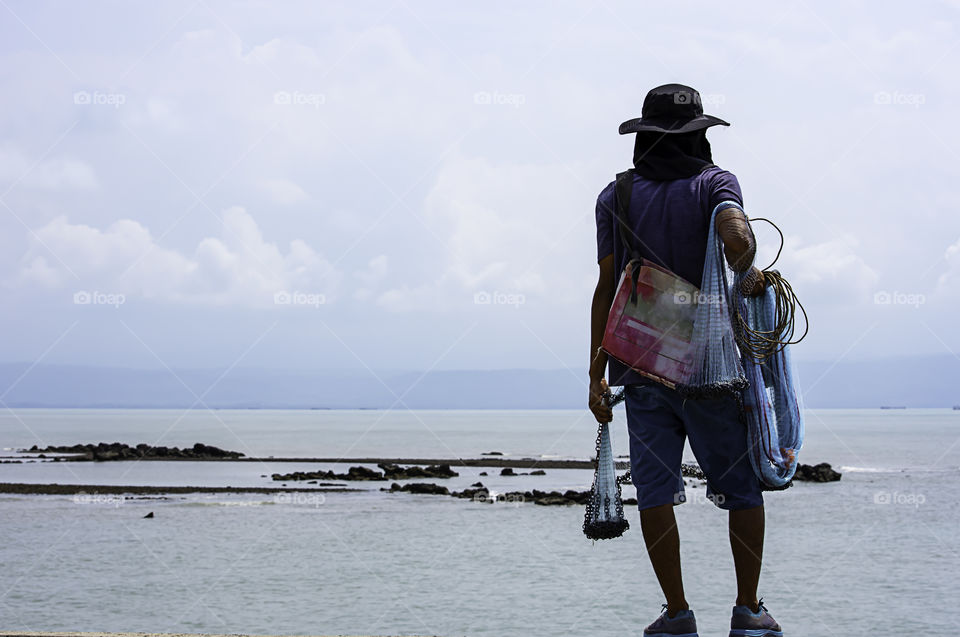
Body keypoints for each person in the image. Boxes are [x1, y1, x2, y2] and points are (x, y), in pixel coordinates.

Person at [588, 84, 783, 637]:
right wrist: (746, 261)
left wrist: (596, 372)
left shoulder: (616, 196)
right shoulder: (715, 183)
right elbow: (735, 236)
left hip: (640, 365)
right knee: (741, 488)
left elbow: (607, 286)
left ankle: (677, 613)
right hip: (711, 368)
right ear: (700, 136)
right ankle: (748, 609)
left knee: (655, 492)